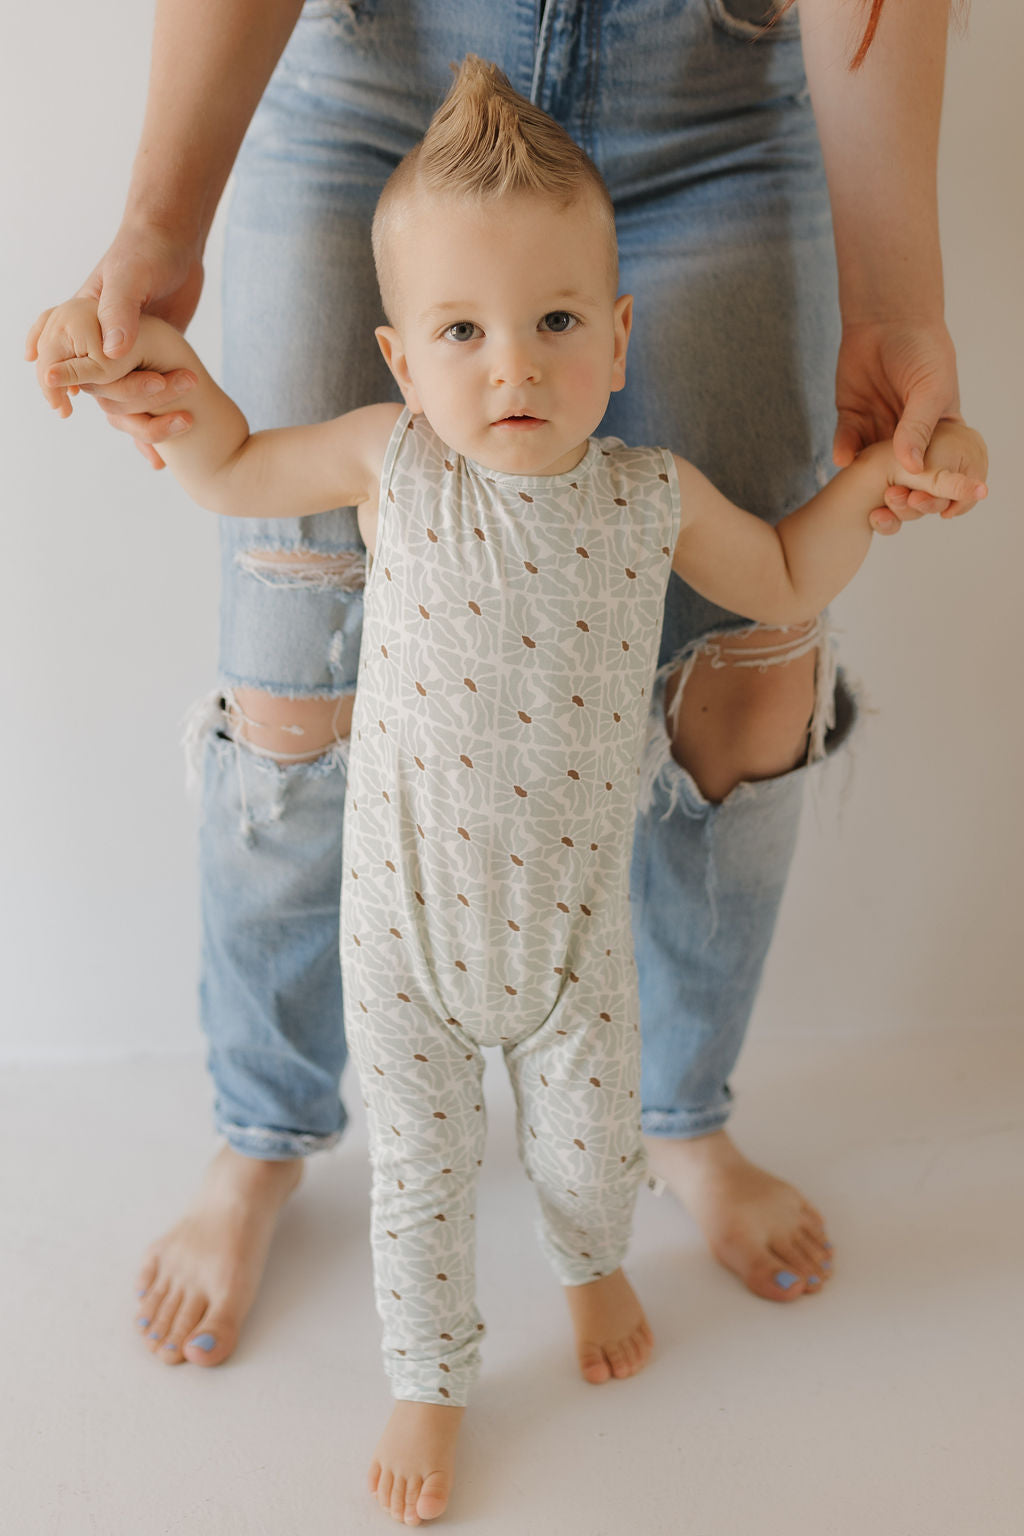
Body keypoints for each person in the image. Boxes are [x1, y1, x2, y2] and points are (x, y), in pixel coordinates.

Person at [33, 57, 987, 1525]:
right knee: (417, 1179)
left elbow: (792, 575)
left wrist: (885, 485)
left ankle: (594, 1263)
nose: (512, 368)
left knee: (592, 1153)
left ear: (618, 338)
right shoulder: (388, 463)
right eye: (463, 332)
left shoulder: (653, 495)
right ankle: (430, 1378)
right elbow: (227, 470)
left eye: (553, 326)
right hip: (403, 945)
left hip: (569, 944)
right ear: (401, 359)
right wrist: (153, 379)